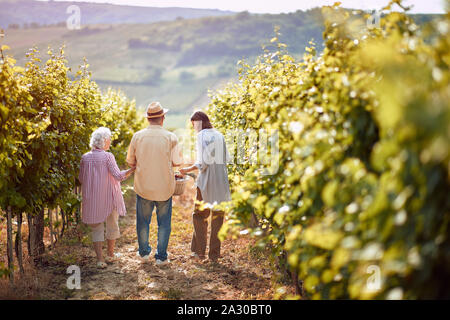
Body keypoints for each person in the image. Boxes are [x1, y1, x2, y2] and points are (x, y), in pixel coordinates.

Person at [126, 102, 183, 266]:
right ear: (162, 118)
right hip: (164, 187)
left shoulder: (137, 136)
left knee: (143, 221)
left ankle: (144, 253)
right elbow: (177, 162)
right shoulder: (171, 137)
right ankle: (161, 257)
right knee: (164, 223)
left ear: (148, 119)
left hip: (143, 186)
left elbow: (130, 162)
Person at [79, 127, 135, 269]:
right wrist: (131, 170)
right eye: (108, 138)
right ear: (104, 141)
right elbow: (118, 176)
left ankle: (100, 260)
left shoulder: (84, 158)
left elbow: (81, 178)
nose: (110, 141)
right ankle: (111, 255)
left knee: (96, 228)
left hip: (92, 198)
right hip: (109, 197)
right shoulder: (107, 156)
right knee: (112, 224)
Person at [180, 111, 231, 262]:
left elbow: (203, 163)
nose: (194, 128)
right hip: (221, 181)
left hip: (206, 182)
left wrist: (187, 169)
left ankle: (199, 253)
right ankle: (214, 255)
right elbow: (226, 158)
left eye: (193, 124)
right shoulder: (219, 135)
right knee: (218, 217)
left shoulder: (201, 136)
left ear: (198, 122)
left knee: (200, 216)